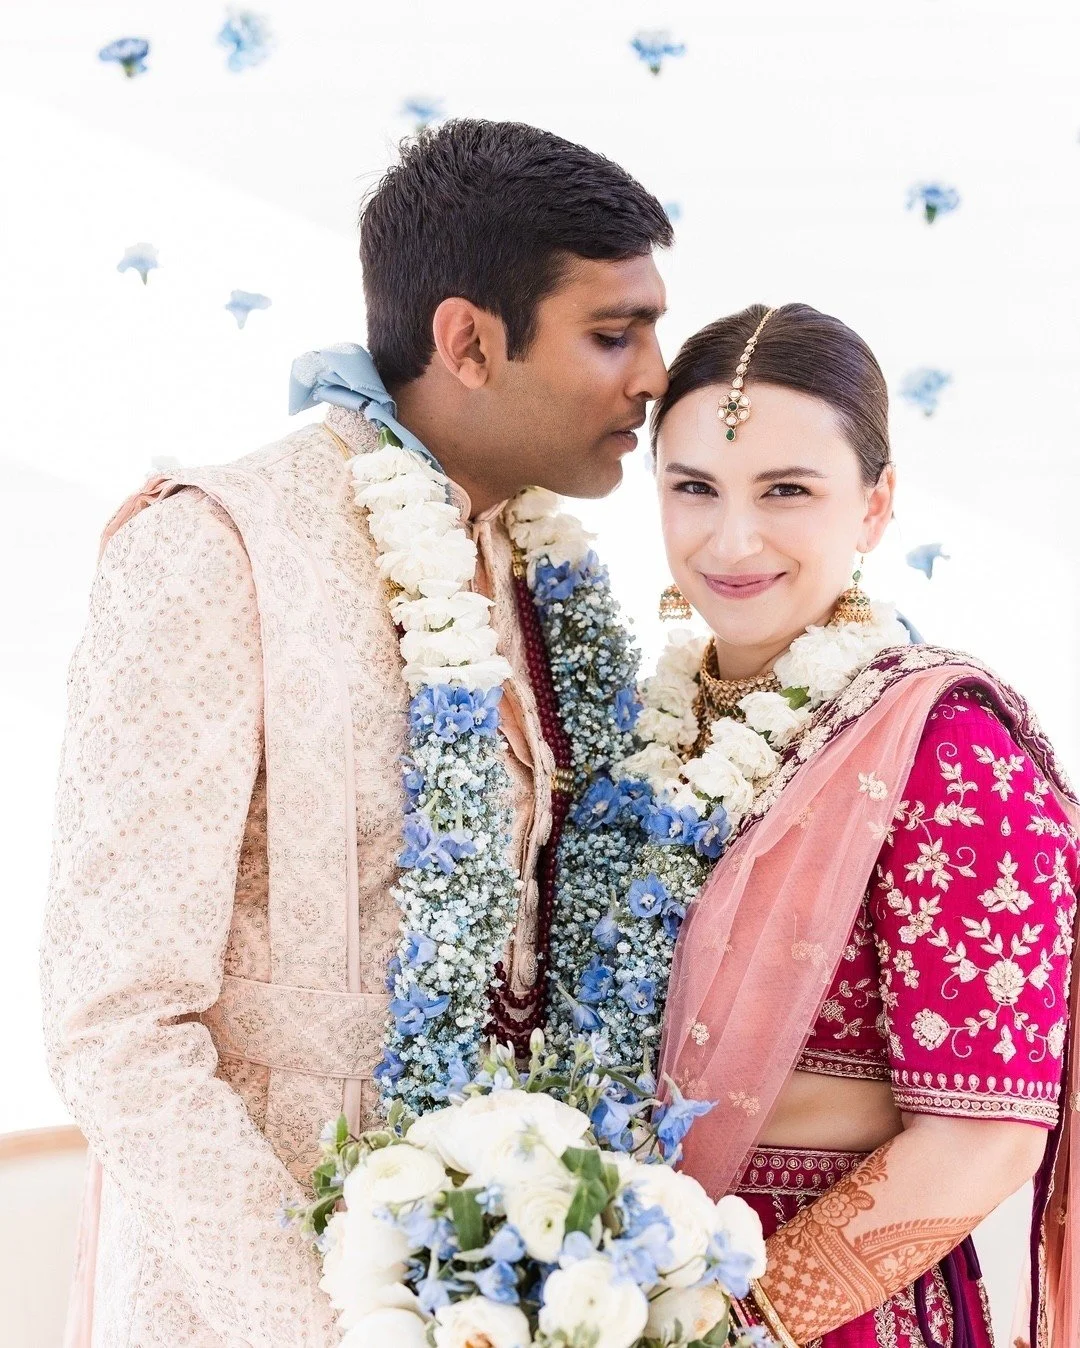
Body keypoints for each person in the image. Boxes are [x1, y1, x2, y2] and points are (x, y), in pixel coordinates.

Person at [40, 119, 670, 1347]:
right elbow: (112, 1023)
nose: (654, 373)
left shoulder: (549, 575)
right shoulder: (216, 549)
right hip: (250, 1311)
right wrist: (324, 1322)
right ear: (466, 340)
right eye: (612, 333)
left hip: (511, 1295)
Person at [652, 303, 1080, 1347]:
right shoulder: (644, 730)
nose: (732, 538)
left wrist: (726, 1324)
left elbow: (985, 1135)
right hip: (617, 1275)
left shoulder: (948, 751)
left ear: (877, 505)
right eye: (694, 487)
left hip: (828, 1311)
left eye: (787, 491)